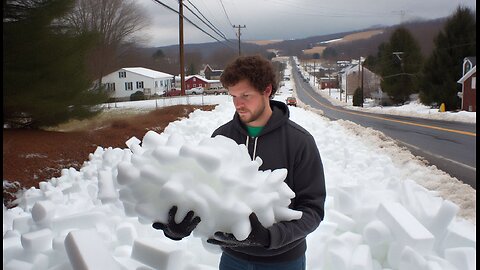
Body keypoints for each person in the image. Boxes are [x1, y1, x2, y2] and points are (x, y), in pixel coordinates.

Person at [153, 55, 326, 270]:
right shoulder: (221, 137)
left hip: (283, 260)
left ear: (267, 91)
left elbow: (313, 211)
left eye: (245, 95)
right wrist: (179, 226)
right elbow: (205, 194)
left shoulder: (300, 142)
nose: (238, 104)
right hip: (233, 259)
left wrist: (269, 237)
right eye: (233, 96)